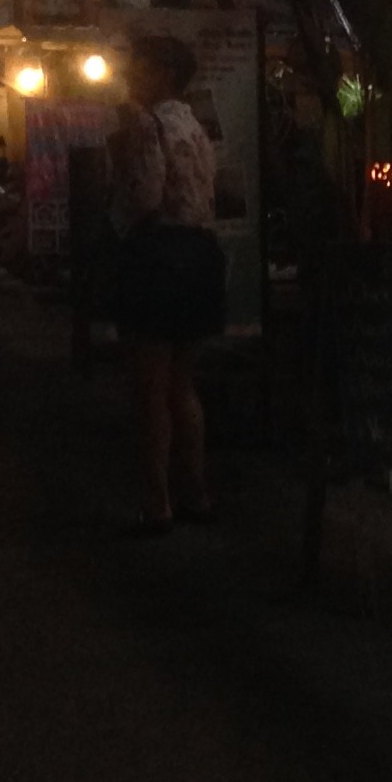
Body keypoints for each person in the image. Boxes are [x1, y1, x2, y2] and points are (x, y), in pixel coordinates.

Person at [108, 33, 224, 532]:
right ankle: (196, 492)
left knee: (150, 389)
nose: (130, 73)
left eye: (140, 65)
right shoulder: (195, 126)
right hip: (200, 257)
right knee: (183, 384)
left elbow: (146, 197)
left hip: (158, 258)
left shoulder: (147, 123)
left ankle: (157, 501)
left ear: (165, 74)